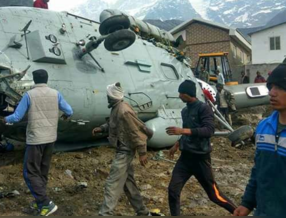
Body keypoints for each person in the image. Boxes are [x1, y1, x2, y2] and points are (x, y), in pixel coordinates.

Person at [5, 69, 73, 216]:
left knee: (30, 172)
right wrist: (65, 117)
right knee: (42, 171)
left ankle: (45, 203)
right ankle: (38, 202)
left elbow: (16, 117)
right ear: (46, 79)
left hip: (36, 139)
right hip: (51, 138)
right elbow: (69, 110)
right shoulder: (56, 94)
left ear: (34, 80)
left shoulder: (29, 95)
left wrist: (5, 119)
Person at [166, 80, 236, 216]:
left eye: (181, 93)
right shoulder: (185, 111)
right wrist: (177, 144)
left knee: (214, 195)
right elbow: (187, 132)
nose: (179, 95)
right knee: (173, 191)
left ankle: (238, 212)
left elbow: (209, 130)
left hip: (200, 159)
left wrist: (183, 131)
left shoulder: (204, 108)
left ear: (188, 93)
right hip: (185, 159)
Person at [92, 82, 153, 216]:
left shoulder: (123, 111)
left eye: (108, 95)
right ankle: (142, 212)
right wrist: (102, 128)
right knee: (128, 184)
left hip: (124, 152)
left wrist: (142, 153)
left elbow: (136, 132)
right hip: (124, 150)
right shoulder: (117, 107)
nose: (106, 97)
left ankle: (106, 214)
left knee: (111, 184)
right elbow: (113, 123)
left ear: (112, 96)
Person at [233, 63, 286, 216]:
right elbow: (259, 171)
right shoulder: (263, 127)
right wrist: (247, 203)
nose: (272, 93)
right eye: (271, 87)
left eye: (280, 88)